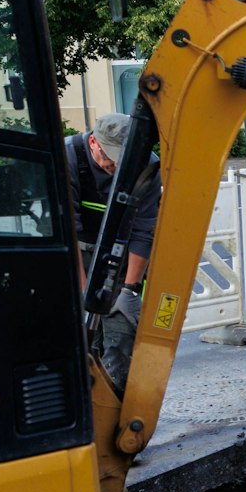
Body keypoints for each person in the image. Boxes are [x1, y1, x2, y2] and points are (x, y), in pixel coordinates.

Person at [66, 113, 160, 389]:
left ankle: (117, 403)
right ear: (94, 143)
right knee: (84, 338)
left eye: (124, 158)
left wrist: (130, 289)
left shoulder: (146, 166)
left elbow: (144, 230)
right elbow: (68, 233)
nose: (118, 165)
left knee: (121, 334)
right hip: (79, 252)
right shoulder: (68, 158)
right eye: (112, 157)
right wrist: (86, 293)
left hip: (121, 253)